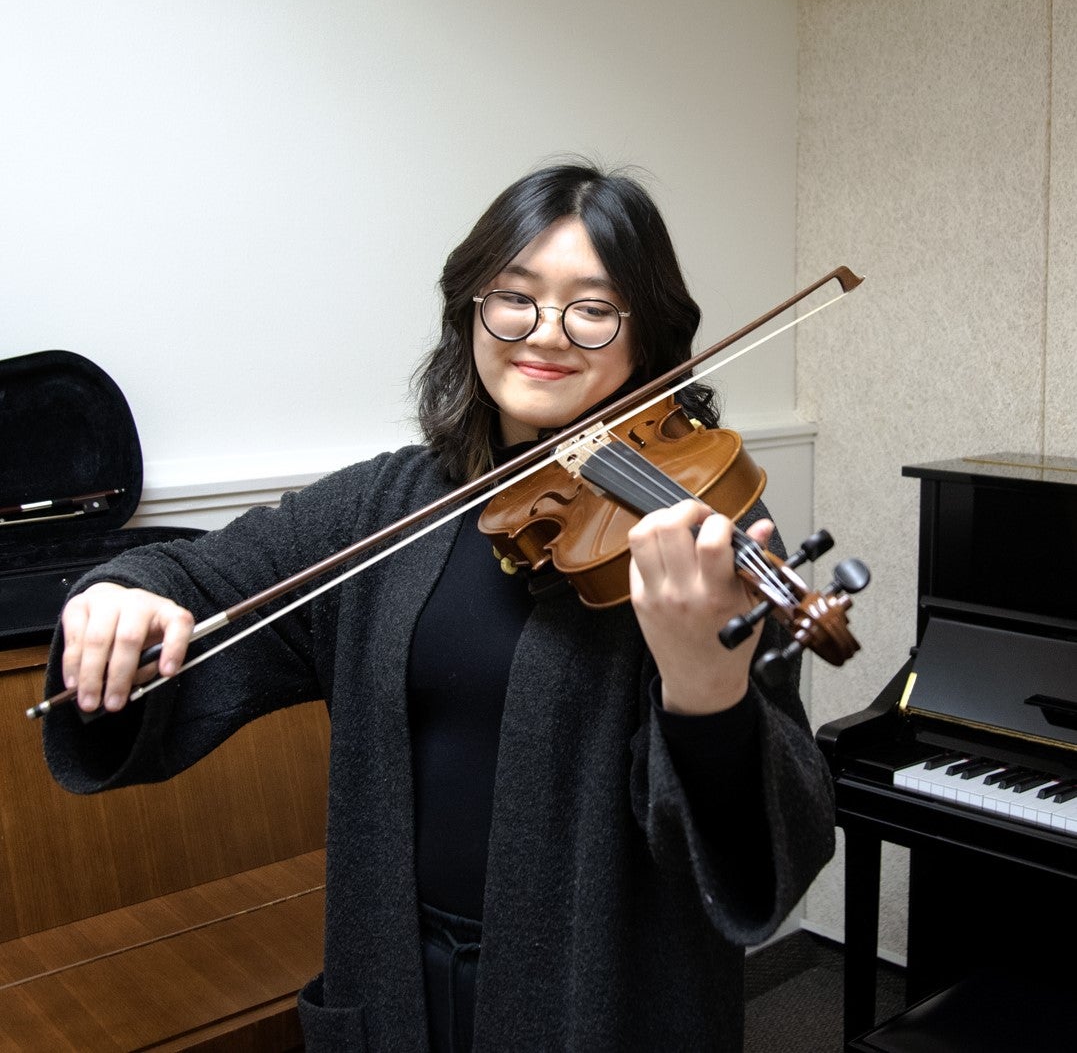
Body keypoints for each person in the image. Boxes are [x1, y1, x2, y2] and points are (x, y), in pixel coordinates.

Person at [42, 160, 836, 1052]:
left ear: (643, 336)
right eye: (514, 297)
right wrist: (117, 592)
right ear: (470, 312)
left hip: (603, 1003)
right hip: (397, 986)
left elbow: (762, 858)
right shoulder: (389, 506)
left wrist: (704, 691)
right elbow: (200, 575)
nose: (546, 334)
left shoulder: (696, 531)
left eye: (592, 308)